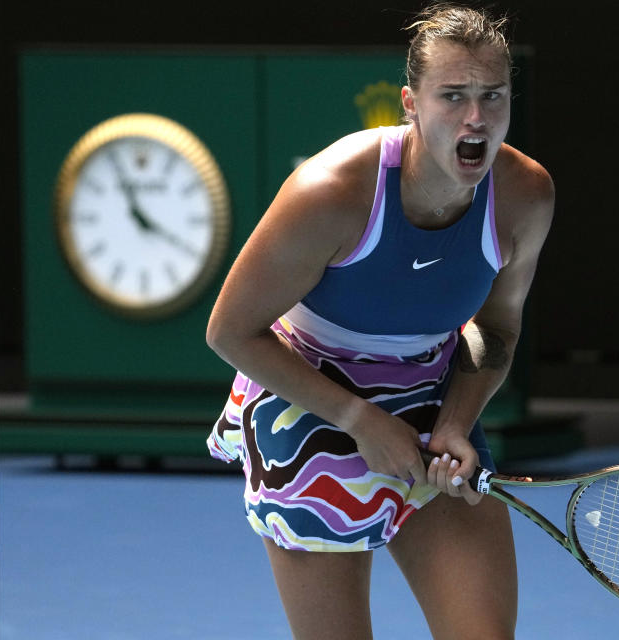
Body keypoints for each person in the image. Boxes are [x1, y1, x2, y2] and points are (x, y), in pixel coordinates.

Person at [205, 4, 554, 638]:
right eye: (453, 96)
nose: (476, 117)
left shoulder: (526, 196)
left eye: (492, 96)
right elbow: (230, 331)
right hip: (309, 405)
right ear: (411, 105)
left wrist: (456, 423)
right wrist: (359, 420)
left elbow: (497, 330)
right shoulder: (332, 192)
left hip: (432, 394)